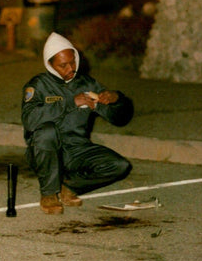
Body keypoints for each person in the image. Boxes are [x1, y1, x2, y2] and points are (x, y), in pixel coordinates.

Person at [21, 32, 134, 215]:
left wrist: (116, 99)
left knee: (120, 165)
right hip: (45, 150)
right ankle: (49, 193)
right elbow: (30, 120)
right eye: (63, 65)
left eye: (72, 62)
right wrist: (70, 103)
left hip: (76, 149)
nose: (70, 68)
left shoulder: (87, 84)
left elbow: (119, 119)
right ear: (49, 64)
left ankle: (70, 186)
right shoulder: (38, 85)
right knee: (46, 132)